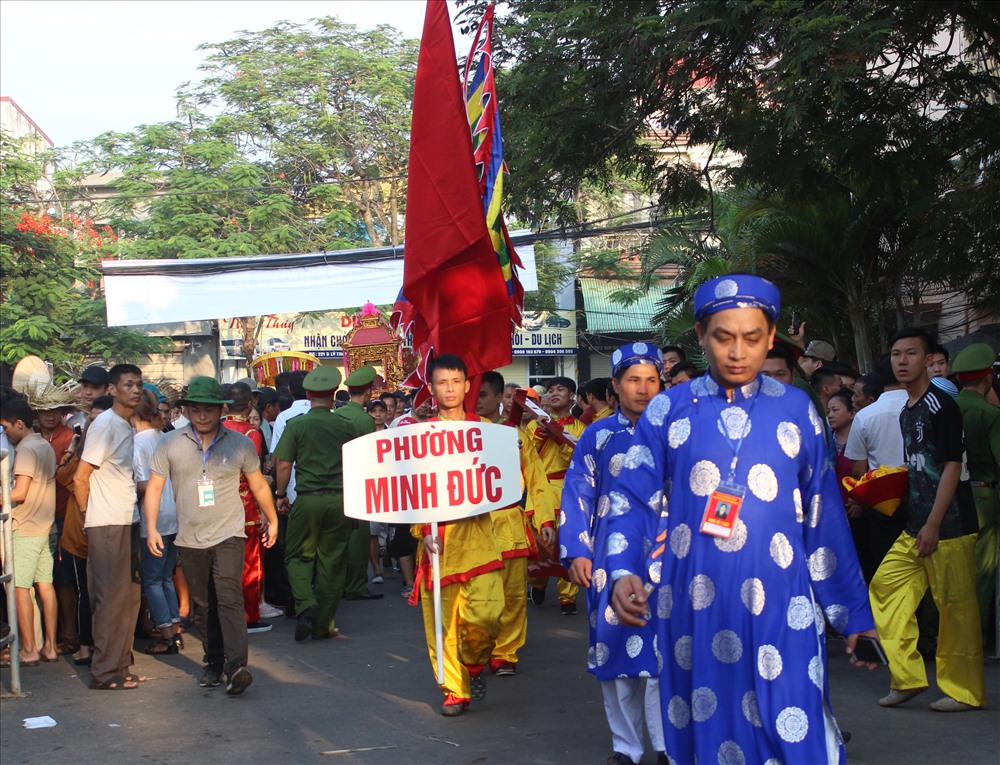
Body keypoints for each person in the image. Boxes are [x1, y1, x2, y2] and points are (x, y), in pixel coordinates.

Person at [607, 274, 876, 764]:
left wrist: (852, 615)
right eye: (723, 337)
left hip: (784, 602)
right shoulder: (669, 409)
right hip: (693, 604)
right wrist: (623, 570)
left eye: (752, 338)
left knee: (793, 725)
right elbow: (630, 499)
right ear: (700, 334)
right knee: (708, 729)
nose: (738, 352)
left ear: (771, 337)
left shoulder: (797, 409)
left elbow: (824, 518)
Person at [561, 343, 667, 765]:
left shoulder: (678, 433)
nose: (643, 389)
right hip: (610, 561)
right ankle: (626, 746)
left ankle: (666, 744)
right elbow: (577, 494)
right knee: (615, 650)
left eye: (651, 380)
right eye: (633, 380)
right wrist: (576, 551)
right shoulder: (598, 436)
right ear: (616, 385)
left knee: (665, 654)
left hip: (668, 558)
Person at [869, 327, 985, 712]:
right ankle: (908, 678)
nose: (902, 361)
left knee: (956, 608)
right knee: (885, 588)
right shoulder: (907, 410)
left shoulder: (942, 405)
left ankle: (963, 691)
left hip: (949, 526)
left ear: (929, 359)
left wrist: (934, 523)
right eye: (896, 354)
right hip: (915, 525)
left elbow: (953, 465)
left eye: (911, 354)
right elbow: (921, 466)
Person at [145, 377, 278, 696]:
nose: (202, 416)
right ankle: (213, 662)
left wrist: (271, 519)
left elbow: (259, 484)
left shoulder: (240, 443)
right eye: (196, 409)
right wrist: (150, 527)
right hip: (190, 538)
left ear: (221, 410)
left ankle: (237, 667)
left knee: (230, 597)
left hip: (229, 533)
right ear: (186, 410)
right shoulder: (170, 443)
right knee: (204, 605)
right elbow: (154, 486)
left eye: (209, 410)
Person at [411, 354, 504, 716]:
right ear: (432, 388)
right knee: (443, 622)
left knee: (488, 614)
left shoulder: (487, 431)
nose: (449, 389)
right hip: (439, 542)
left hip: (480, 537)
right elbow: (409, 491)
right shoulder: (419, 437)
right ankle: (454, 689)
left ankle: (476, 662)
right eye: (442, 383)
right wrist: (421, 532)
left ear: (468, 385)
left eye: (456, 381)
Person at [476, 370, 554, 676]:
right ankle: (478, 647)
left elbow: (536, 480)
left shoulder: (517, 437)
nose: (477, 401)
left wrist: (545, 517)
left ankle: (505, 653)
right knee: (480, 598)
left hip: (510, 522)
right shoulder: (459, 433)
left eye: (483, 395)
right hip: (473, 527)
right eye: (474, 396)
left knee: (513, 595)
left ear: (499, 399)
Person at [273, 367, 359, 641]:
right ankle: (323, 626)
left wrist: (280, 493)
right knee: (332, 562)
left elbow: (284, 463)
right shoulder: (346, 426)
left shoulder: (296, 425)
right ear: (334, 395)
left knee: (298, 555)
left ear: (308, 395)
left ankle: (305, 602)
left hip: (308, 500)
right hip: (340, 499)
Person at [73, 363, 145, 691]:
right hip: (106, 521)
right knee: (110, 598)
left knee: (129, 597)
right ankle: (103, 672)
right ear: (112, 390)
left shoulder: (124, 424)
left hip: (125, 518)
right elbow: (80, 477)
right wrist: (90, 517)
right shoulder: (104, 425)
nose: (135, 390)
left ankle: (120, 665)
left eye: (138, 384)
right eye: (128, 384)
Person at [0, 397, 59, 665]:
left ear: (19, 424)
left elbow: (20, 492)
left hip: (26, 528)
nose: (5, 432)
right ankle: (50, 647)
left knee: (21, 589)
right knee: (45, 586)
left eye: (5, 427)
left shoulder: (25, 450)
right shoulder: (43, 444)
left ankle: (29, 650)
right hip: (47, 527)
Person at [951, 343, 1000, 653]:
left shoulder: (946, 408)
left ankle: (940, 638)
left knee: (952, 573)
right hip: (983, 496)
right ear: (988, 378)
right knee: (981, 575)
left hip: (950, 496)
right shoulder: (990, 413)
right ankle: (975, 643)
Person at [526, 376, 586, 614]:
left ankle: (567, 597)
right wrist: (542, 433)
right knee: (540, 544)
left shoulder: (581, 428)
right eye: (550, 390)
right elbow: (527, 458)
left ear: (572, 396)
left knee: (567, 542)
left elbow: (576, 460)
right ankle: (538, 582)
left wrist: (559, 436)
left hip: (568, 490)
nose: (554, 393)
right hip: (540, 490)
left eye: (560, 389)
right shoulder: (533, 425)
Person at [132, 388, 182, 655]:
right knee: (165, 577)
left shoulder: (139, 442)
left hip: (153, 517)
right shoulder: (164, 437)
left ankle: (166, 636)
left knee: (152, 579)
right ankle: (173, 628)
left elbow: (144, 484)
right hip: (173, 513)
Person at [222, 382, 274, 632]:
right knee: (250, 564)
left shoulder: (218, 428)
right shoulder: (250, 434)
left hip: (220, 505)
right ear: (249, 404)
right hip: (246, 506)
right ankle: (249, 616)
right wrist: (265, 511)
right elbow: (254, 477)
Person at [336, 366, 382, 601]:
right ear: (367, 393)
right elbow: (370, 457)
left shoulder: (336, 415)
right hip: (357, 486)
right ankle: (355, 586)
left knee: (337, 539)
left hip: (335, 484)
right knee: (358, 539)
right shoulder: (364, 420)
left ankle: (339, 584)